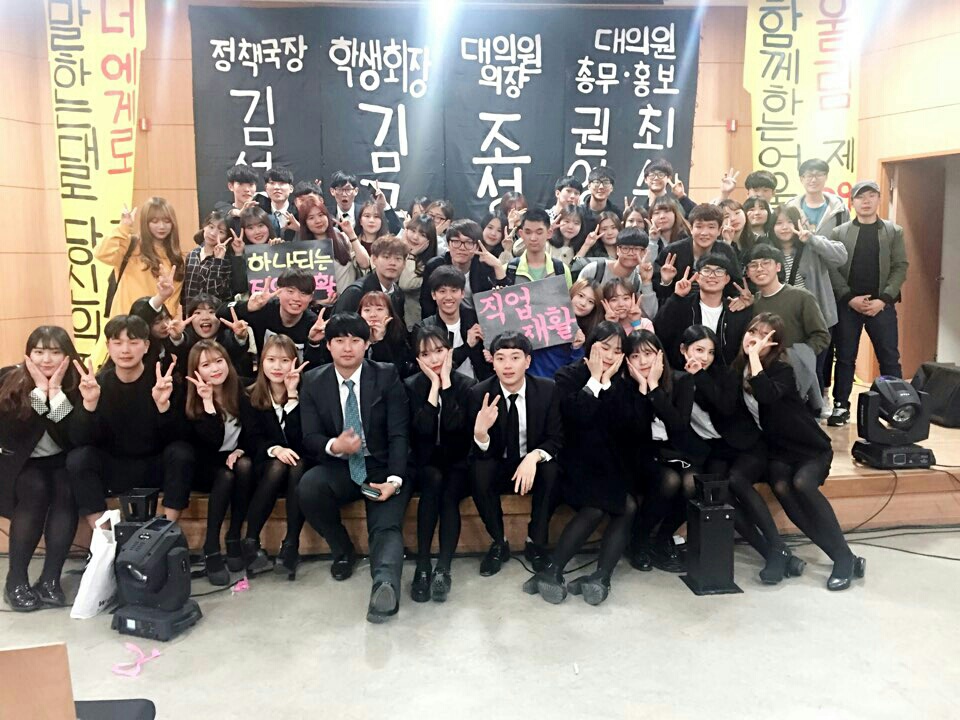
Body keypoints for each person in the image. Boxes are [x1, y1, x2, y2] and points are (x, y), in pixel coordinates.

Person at [737, 314, 865, 590]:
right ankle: (845, 558)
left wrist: (755, 358)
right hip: (779, 450)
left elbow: (766, 394)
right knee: (782, 487)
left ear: (775, 344)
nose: (755, 339)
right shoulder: (739, 369)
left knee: (802, 484)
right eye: (752, 331)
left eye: (764, 336)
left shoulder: (782, 369)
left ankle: (843, 557)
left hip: (809, 447)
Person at [298, 312, 410, 623]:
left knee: (385, 525)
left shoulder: (386, 375)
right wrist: (336, 446)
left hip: (381, 466)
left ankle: (385, 586)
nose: (347, 348)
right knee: (309, 487)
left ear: (367, 344)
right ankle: (342, 549)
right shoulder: (313, 381)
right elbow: (310, 437)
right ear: (328, 345)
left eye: (355, 340)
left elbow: (399, 433)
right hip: (341, 466)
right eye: (339, 340)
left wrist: (395, 480)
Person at [678, 325, 801, 584]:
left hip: (748, 445)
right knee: (716, 493)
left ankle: (776, 546)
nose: (705, 357)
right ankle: (774, 552)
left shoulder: (726, 374)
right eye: (699, 350)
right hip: (716, 450)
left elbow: (724, 407)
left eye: (710, 352)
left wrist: (700, 376)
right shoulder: (675, 378)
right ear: (683, 350)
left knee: (736, 480)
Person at [525, 322, 636, 605]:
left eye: (617, 351)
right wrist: (595, 380)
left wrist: (607, 384)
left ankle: (601, 577)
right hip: (572, 462)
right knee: (598, 505)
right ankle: (553, 570)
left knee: (628, 505)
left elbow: (623, 426)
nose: (610, 355)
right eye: (605, 347)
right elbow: (576, 418)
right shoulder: (567, 376)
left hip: (607, 463)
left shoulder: (623, 383)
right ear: (591, 346)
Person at [67, 315, 193, 530]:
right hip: (114, 467)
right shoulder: (96, 384)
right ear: (108, 346)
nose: (125, 350)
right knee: (78, 458)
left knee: (182, 453)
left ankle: (164, 531)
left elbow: (180, 437)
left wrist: (163, 407)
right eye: (117, 343)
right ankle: (103, 537)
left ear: (146, 346)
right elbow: (80, 439)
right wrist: (90, 404)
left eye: (133, 342)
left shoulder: (162, 382)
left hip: (154, 466)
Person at [467, 332, 563, 576]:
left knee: (552, 470)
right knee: (479, 470)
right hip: (498, 464)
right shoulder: (479, 394)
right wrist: (481, 434)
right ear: (492, 362)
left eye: (515, 357)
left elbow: (556, 438)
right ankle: (499, 542)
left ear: (527, 361)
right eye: (500, 358)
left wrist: (534, 456)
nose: (507, 365)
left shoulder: (547, 389)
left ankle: (536, 542)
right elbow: (475, 452)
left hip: (531, 465)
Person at [0, 327, 81, 611]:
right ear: (28, 354)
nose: (46, 359)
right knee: (35, 489)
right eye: (39, 351)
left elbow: (72, 435)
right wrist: (38, 392)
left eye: (55, 352)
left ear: (67, 355)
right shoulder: (8, 378)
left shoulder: (77, 382)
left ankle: (50, 579)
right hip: (21, 463)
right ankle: (16, 580)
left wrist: (55, 393)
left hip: (61, 459)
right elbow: (13, 434)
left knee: (67, 489)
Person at [827, 180, 909, 426]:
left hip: (881, 305)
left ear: (879, 199)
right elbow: (832, 268)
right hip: (848, 304)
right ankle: (841, 406)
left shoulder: (893, 231)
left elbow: (900, 266)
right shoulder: (839, 233)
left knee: (889, 357)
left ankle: (899, 407)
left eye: (871, 196)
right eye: (860, 197)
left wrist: (883, 299)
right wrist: (848, 297)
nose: (866, 201)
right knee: (845, 357)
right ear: (852, 202)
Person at [405, 327, 477, 603]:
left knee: (449, 492)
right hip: (424, 462)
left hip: (458, 461)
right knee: (433, 481)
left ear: (450, 351)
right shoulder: (410, 386)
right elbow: (422, 431)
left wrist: (445, 384)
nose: (434, 359)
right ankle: (422, 565)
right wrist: (433, 388)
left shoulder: (466, 385)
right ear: (417, 359)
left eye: (439, 351)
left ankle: (443, 569)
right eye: (425, 354)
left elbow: (454, 428)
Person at [620, 330, 695, 573]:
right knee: (669, 480)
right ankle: (639, 541)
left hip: (675, 452)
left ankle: (662, 538)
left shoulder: (682, 381)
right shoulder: (624, 385)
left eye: (648, 354)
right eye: (635, 355)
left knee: (692, 484)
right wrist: (643, 390)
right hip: (639, 454)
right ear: (627, 360)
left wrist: (654, 388)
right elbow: (635, 434)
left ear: (660, 355)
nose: (642, 361)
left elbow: (678, 426)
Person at [183, 340, 256, 585]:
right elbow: (210, 443)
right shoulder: (191, 399)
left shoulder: (240, 391)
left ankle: (234, 537)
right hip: (204, 464)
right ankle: (211, 546)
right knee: (225, 475)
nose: (215, 369)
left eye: (219, 361)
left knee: (244, 466)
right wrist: (207, 404)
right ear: (196, 370)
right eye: (206, 365)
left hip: (231, 458)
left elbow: (253, 433)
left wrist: (241, 450)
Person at [241, 334, 308, 580]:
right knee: (279, 465)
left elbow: (301, 440)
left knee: (296, 464)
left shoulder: (306, 392)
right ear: (262, 362)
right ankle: (251, 541)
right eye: (271, 359)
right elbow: (252, 438)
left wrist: (292, 395)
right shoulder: (249, 394)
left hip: (299, 466)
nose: (277, 367)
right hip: (266, 466)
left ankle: (290, 545)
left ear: (295, 362)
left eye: (284, 360)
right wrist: (275, 449)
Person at [768, 204, 849, 401]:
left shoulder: (811, 246)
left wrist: (812, 238)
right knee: (786, 368)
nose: (784, 227)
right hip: (785, 320)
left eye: (789, 222)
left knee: (814, 368)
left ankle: (816, 409)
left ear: (798, 223)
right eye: (779, 223)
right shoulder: (769, 252)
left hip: (817, 319)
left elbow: (841, 257)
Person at [745, 244, 831, 412]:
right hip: (762, 376)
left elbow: (821, 335)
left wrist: (796, 357)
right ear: (747, 272)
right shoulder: (753, 303)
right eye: (753, 265)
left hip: (794, 377)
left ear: (778, 267)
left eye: (766, 263)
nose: (759, 268)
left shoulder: (801, 297)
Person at [654, 253, 752, 370]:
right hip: (685, 374)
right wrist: (677, 296)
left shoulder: (736, 311)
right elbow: (659, 331)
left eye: (719, 271)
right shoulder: (681, 306)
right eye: (706, 270)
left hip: (725, 377)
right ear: (697, 277)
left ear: (727, 279)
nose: (712, 276)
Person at [96, 197, 185, 318]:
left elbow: (172, 303)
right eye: (155, 221)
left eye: (167, 221)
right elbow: (102, 253)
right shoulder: (130, 245)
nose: (162, 226)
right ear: (145, 223)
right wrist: (124, 227)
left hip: (155, 325)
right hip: (125, 323)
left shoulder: (176, 258)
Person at [223, 268, 328, 363]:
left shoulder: (314, 326)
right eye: (290, 291)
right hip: (263, 374)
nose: (296, 298)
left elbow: (317, 368)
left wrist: (314, 342)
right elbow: (220, 312)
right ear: (278, 291)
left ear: (311, 297)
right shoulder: (265, 308)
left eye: (303, 293)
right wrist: (248, 306)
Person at [415, 266, 492, 380]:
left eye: (454, 291)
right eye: (442, 291)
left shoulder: (476, 319)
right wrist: (467, 346)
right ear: (433, 295)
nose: (448, 297)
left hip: (478, 385)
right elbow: (433, 365)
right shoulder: (425, 328)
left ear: (462, 293)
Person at [654, 203, 742, 300]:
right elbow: (658, 293)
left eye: (711, 227)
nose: (704, 233)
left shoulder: (726, 251)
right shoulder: (672, 252)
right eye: (699, 227)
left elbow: (736, 286)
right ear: (691, 228)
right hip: (679, 306)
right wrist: (666, 282)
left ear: (719, 230)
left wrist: (737, 299)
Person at [420, 219, 505, 318]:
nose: (462, 248)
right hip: (443, 321)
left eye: (469, 243)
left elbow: (502, 302)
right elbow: (427, 303)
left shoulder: (485, 266)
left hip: (479, 321)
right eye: (456, 241)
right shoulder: (435, 266)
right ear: (448, 244)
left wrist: (498, 266)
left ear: (477, 247)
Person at [296, 193, 371, 304]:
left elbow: (365, 264)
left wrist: (351, 234)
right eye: (311, 218)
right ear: (305, 223)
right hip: (319, 308)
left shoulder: (343, 238)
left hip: (348, 304)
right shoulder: (302, 250)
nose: (318, 221)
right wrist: (317, 302)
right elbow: (299, 287)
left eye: (321, 215)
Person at [578, 227, 657, 309]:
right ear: (618, 250)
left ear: (644, 252)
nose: (630, 253)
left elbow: (649, 313)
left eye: (636, 249)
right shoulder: (594, 270)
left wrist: (646, 281)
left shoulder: (637, 281)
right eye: (625, 248)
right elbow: (574, 300)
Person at [334, 235, 407, 318]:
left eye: (398, 258)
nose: (392, 263)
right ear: (374, 259)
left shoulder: (398, 293)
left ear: (404, 263)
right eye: (386, 257)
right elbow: (338, 324)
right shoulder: (356, 292)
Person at [504, 208, 574, 288]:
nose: (533, 238)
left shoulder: (561, 270)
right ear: (521, 234)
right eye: (528, 232)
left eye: (539, 232)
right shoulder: (508, 269)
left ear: (549, 233)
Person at [784, 159, 850, 235]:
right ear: (801, 179)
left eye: (819, 175)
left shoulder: (839, 208)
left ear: (826, 177)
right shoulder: (790, 207)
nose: (814, 180)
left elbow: (846, 237)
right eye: (809, 175)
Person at [183, 211, 234, 308]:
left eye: (221, 232)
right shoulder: (192, 254)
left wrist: (218, 261)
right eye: (211, 227)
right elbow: (184, 293)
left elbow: (214, 293)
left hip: (212, 314)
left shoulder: (226, 261)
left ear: (226, 237)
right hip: (190, 314)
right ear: (204, 226)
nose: (213, 233)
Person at [359, 291, 414, 378]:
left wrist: (379, 340)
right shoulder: (354, 335)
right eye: (367, 310)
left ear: (389, 313)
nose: (373, 315)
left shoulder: (398, 333)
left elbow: (394, 372)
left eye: (379, 309)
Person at [397, 213, 438, 329]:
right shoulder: (397, 254)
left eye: (422, 235)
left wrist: (411, 255)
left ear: (429, 241)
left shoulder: (429, 266)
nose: (415, 237)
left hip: (413, 324)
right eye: (412, 231)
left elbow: (405, 284)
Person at [214, 164, 260, 236]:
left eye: (251, 185)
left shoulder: (262, 212)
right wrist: (238, 213)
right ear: (231, 186)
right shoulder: (222, 209)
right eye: (240, 184)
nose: (247, 189)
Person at [256, 166, 299, 241]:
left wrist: (299, 229)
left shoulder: (299, 212)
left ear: (291, 188)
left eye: (282, 183)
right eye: (272, 183)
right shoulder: (259, 213)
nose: (276, 187)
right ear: (266, 188)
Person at [580, 166, 623, 233]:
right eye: (597, 182)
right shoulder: (579, 213)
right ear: (589, 186)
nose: (601, 187)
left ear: (611, 188)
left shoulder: (618, 214)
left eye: (606, 183)